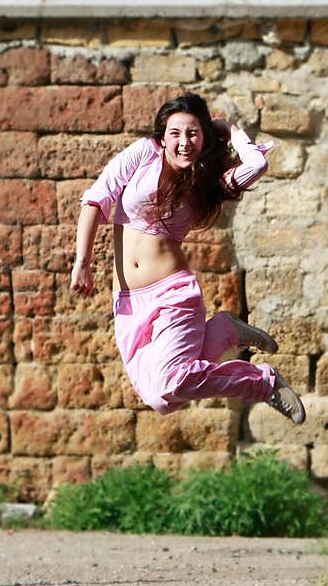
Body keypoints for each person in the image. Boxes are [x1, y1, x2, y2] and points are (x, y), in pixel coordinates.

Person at [70, 91, 305, 425]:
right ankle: (224, 330)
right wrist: (83, 261)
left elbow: (257, 164)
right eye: (175, 134)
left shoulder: (208, 182)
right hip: (128, 301)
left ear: (204, 137)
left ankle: (263, 384)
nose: (184, 142)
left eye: (193, 133)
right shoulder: (142, 155)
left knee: (173, 381)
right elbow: (96, 200)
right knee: (161, 399)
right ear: (162, 138)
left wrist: (227, 128)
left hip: (173, 294)